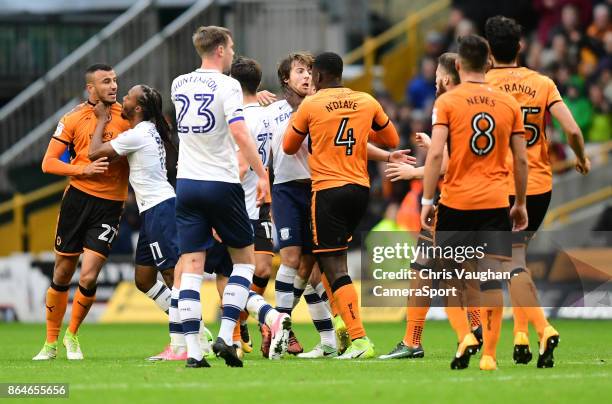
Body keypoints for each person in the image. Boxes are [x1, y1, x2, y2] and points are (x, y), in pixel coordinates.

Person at [171, 25, 288, 368]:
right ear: (220, 49)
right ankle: (225, 334)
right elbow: (238, 131)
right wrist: (263, 174)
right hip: (221, 182)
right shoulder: (229, 85)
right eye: (232, 47)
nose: (233, 52)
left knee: (191, 268)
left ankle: (193, 351)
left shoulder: (179, 83)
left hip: (187, 182)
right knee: (244, 262)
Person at [485, 15, 589, 368]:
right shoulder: (542, 83)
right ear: (521, 47)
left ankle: (540, 329)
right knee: (518, 262)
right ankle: (521, 336)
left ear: (488, 51)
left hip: (497, 186)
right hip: (537, 186)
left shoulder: (480, 85)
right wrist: (581, 157)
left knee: (503, 265)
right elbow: (572, 129)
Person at [421, 34, 529, 371]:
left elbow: (437, 153)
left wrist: (427, 198)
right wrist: (520, 203)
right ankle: (490, 356)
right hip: (496, 201)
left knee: (449, 275)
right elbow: (521, 160)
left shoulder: (448, 102)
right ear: (489, 63)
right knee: (491, 279)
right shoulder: (508, 103)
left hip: (455, 202)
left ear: (457, 64)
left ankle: (465, 335)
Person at [283, 51, 400, 359]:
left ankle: (360, 339)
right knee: (327, 260)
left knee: (333, 265)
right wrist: (356, 128)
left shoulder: (311, 104)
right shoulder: (366, 100)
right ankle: (343, 327)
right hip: (360, 189)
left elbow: (288, 146)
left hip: (328, 191)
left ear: (318, 77)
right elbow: (391, 138)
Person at [381, 53, 485, 360]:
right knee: (458, 270)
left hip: (454, 201)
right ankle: (476, 328)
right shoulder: (476, 104)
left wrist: (414, 172)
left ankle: (415, 341)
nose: (434, 83)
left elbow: (448, 164)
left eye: (437, 77)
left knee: (425, 268)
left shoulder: (450, 105)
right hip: (479, 200)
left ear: (447, 79)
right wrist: (433, 145)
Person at [34, 64, 129, 361]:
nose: (113, 86)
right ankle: (50, 343)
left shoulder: (127, 116)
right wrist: (82, 169)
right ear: (91, 88)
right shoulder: (73, 118)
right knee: (62, 271)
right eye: (106, 82)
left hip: (110, 205)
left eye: (114, 80)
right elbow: (48, 164)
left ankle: (72, 336)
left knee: (88, 276)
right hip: (77, 200)